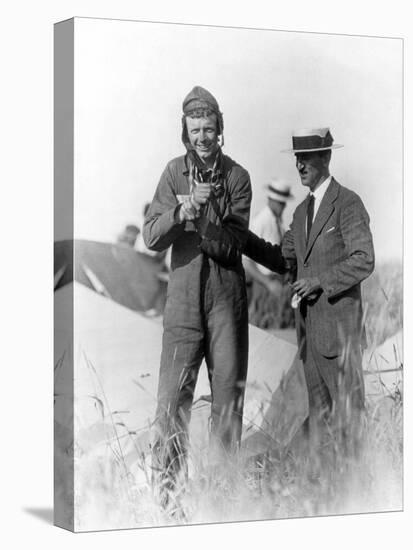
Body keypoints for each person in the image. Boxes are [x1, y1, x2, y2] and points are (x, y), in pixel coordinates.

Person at [143, 86, 252, 500]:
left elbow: (232, 246)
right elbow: (152, 236)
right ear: (185, 133)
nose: (203, 137)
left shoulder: (238, 177)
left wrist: (205, 216)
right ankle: (166, 503)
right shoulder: (173, 174)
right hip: (183, 307)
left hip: (227, 304)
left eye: (209, 128)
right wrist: (180, 211)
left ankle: (221, 504)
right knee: (171, 405)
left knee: (227, 404)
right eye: (195, 129)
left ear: (220, 129)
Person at [244, 127, 374, 445]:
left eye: (307, 158)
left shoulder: (347, 203)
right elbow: (281, 259)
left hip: (340, 338)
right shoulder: (301, 212)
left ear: (326, 157)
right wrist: (240, 237)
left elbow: (364, 259)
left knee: (350, 421)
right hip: (309, 341)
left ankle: (356, 490)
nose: (300, 165)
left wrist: (320, 282)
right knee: (321, 423)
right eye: (297, 158)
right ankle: (323, 489)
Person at [243, 178, 294, 328]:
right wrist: (268, 283)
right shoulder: (261, 221)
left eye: (284, 202)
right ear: (271, 199)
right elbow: (246, 261)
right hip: (264, 286)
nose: (283, 206)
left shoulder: (278, 222)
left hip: (276, 285)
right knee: (264, 327)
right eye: (280, 202)